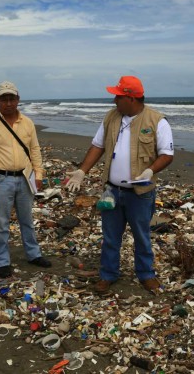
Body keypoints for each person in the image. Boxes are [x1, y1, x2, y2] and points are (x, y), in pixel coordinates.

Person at [65, 76, 174, 293]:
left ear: (131, 98)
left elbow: (167, 154)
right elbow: (97, 146)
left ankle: (146, 274)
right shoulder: (111, 118)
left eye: (118, 96)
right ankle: (108, 274)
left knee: (142, 236)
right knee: (110, 236)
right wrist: (81, 171)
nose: (114, 100)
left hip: (140, 193)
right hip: (112, 191)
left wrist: (151, 170)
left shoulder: (156, 120)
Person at [0, 81, 51, 278]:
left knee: (28, 220)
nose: (8, 103)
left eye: (11, 98)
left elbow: (34, 149)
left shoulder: (27, 122)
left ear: (18, 100)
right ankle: (2, 261)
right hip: (0, 179)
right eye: (3, 99)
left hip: (25, 178)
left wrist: (39, 175)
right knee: (1, 224)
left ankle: (33, 254)